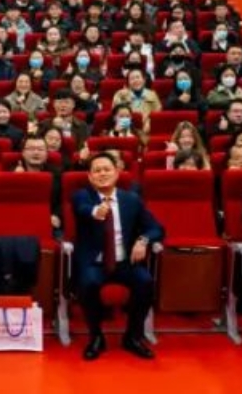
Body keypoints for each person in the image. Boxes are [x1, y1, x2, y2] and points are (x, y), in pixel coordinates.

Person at [70, 152, 161, 361]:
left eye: (107, 169)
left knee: (145, 282)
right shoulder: (82, 196)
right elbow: (83, 209)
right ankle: (96, 336)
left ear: (117, 173)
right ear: (90, 176)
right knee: (88, 283)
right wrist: (96, 212)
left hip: (125, 261)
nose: (102, 174)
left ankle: (133, 336)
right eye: (97, 171)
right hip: (95, 262)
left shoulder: (131, 200)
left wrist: (143, 240)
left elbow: (156, 228)